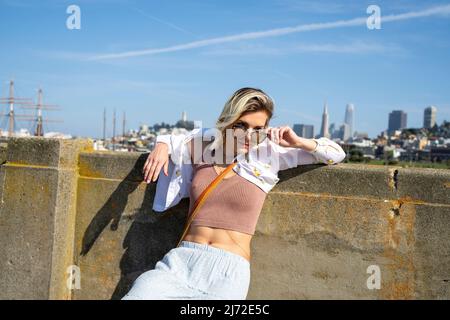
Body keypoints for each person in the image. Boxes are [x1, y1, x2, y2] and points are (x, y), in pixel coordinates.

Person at [122, 87, 346, 300]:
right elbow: (175, 140)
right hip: (180, 262)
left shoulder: (271, 155)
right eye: (241, 125)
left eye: (258, 129)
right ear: (227, 122)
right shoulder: (205, 147)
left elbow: (336, 153)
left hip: (228, 273)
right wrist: (161, 145)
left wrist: (298, 142)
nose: (249, 136)